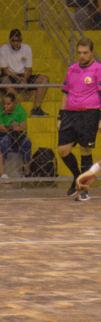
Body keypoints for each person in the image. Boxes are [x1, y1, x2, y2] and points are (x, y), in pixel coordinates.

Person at [58, 38, 101, 201]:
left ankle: (84, 190)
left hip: (89, 115)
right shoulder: (71, 69)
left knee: (85, 150)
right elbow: (65, 93)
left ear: (91, 52)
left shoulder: (98, 69)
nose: (82, 56)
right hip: (69, 115)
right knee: (63, 150)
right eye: (79, 53)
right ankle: (77, 176)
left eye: (85, 53)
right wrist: (60, 116)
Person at [0, 29, 50, 117]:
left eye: (17, 41)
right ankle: (19, 109)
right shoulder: (4, 48)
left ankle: (36, 109)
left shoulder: (27, 48)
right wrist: (17, 78)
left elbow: (29, 69)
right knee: (4, 80)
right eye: (13, 41)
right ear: (10, 41)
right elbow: (4, 69)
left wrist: (25, 78)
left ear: (21, 41)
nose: (15, 43)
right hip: (10, 75)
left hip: (23, 75)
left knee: (45, 79)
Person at [0, 93, 32, 182]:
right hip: (3, 135)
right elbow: (0, 127)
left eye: (8, 104)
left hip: (17, 135)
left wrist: (14, 128)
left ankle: (27, 173)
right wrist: (13, 128)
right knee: (5, 140)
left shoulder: (20, 110)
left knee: (27, 142)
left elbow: (23, 126)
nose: (6, 106)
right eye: (4, 104)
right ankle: (2, 172)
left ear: (14, 103)